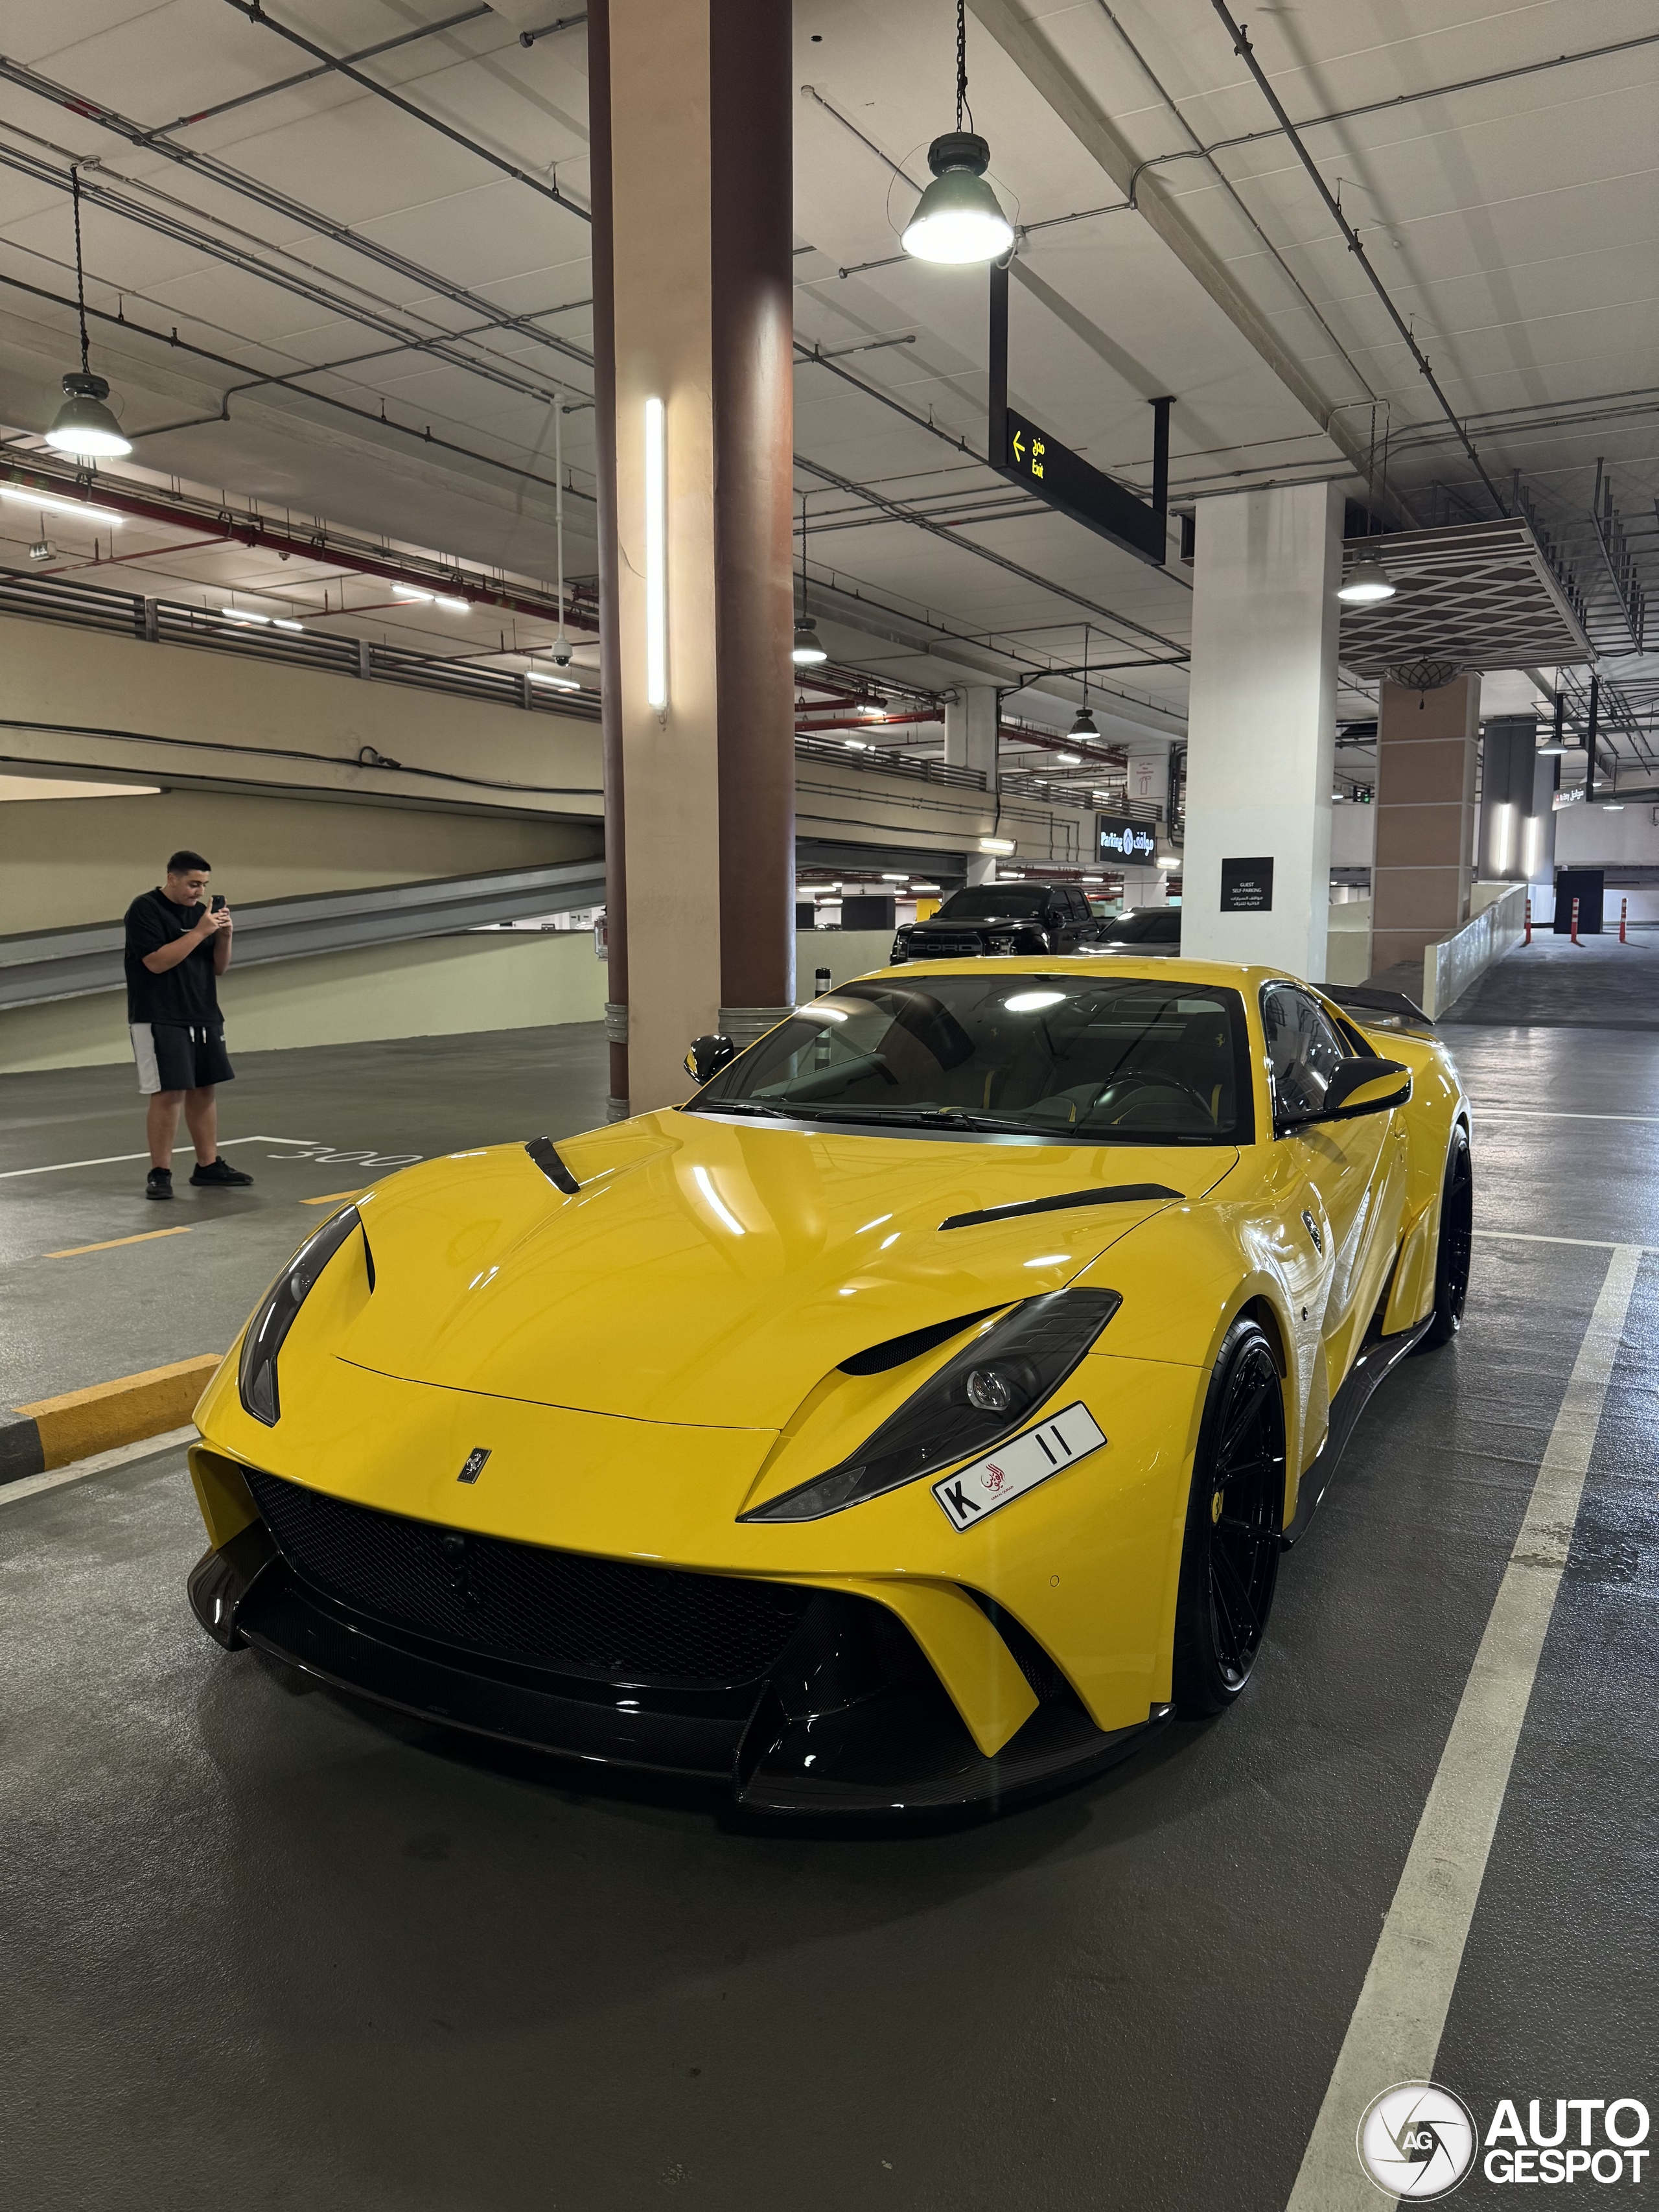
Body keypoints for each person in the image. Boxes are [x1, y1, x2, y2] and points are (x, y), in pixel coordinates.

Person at [124, 849, 254, 1201]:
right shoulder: (145, 909)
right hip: (160, 1014)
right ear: (172, 878)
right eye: (193, 884)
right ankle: (160, 1172)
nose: (199, 891)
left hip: (203, 1013)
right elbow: (155, 962)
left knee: (204, 1088)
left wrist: (225, 936)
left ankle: (208, 1165)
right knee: (168, 1092)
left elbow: (218, 968)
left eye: (204, 885)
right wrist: (200, 932)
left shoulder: (203, 915)